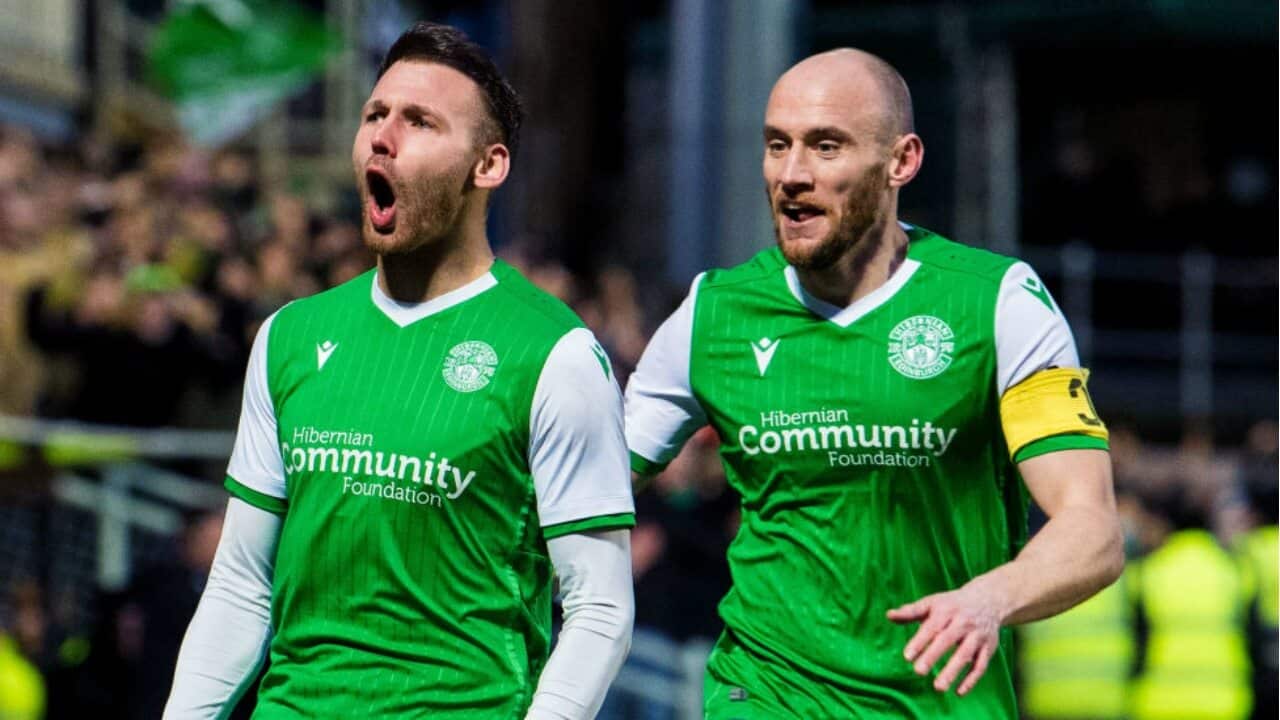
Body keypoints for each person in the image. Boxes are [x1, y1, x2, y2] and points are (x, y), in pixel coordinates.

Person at [624, 48, 1123, 718]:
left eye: (826, 146)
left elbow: (1092, 530)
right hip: (765, 692)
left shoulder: (996, 303)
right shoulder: (713, 316)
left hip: (940, 700)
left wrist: (989, 599)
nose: (792, 175)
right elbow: (582, 490)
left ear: (901, 161)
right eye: (778, 145)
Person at [164, 22, 635, 719]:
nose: (383, 137)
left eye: (419, 121)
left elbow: (600, 608)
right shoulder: (291, 336)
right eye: (374, 115)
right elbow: (240, 585)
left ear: (487, 166)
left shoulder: (556, 354)